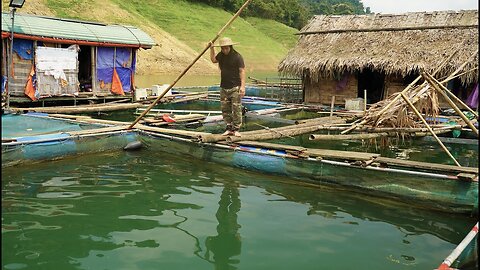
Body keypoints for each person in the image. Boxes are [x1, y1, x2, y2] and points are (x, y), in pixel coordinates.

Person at [209, 37, 246, 136]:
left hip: (235, 87)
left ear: (230, 47)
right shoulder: (221, 55)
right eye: (223, 48)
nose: (225, 50)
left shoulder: (237, 57)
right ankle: (229, 128)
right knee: (225, 109)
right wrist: (211, 48)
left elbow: (242, 71)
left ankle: (236, 129)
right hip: (224, 86)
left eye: (226, 48)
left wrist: (242, 86)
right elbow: (213, 60)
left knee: (236, 108)